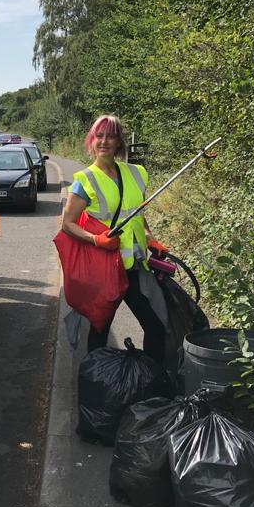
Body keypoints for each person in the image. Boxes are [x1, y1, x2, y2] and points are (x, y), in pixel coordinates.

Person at [60, 115, 170, 365]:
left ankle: (152, 381)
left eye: (110, 136)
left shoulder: (136, 173)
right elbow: (67, 225)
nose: (104, 141)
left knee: (155, 327)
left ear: (119, 141)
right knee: (100, 330)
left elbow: (135, 214)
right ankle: (96, 385)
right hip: (106, 270)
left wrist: (151, 239)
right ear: (91, 140)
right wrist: (96, 240)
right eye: (99, 136)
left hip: (133, 269)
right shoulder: (85, 180)